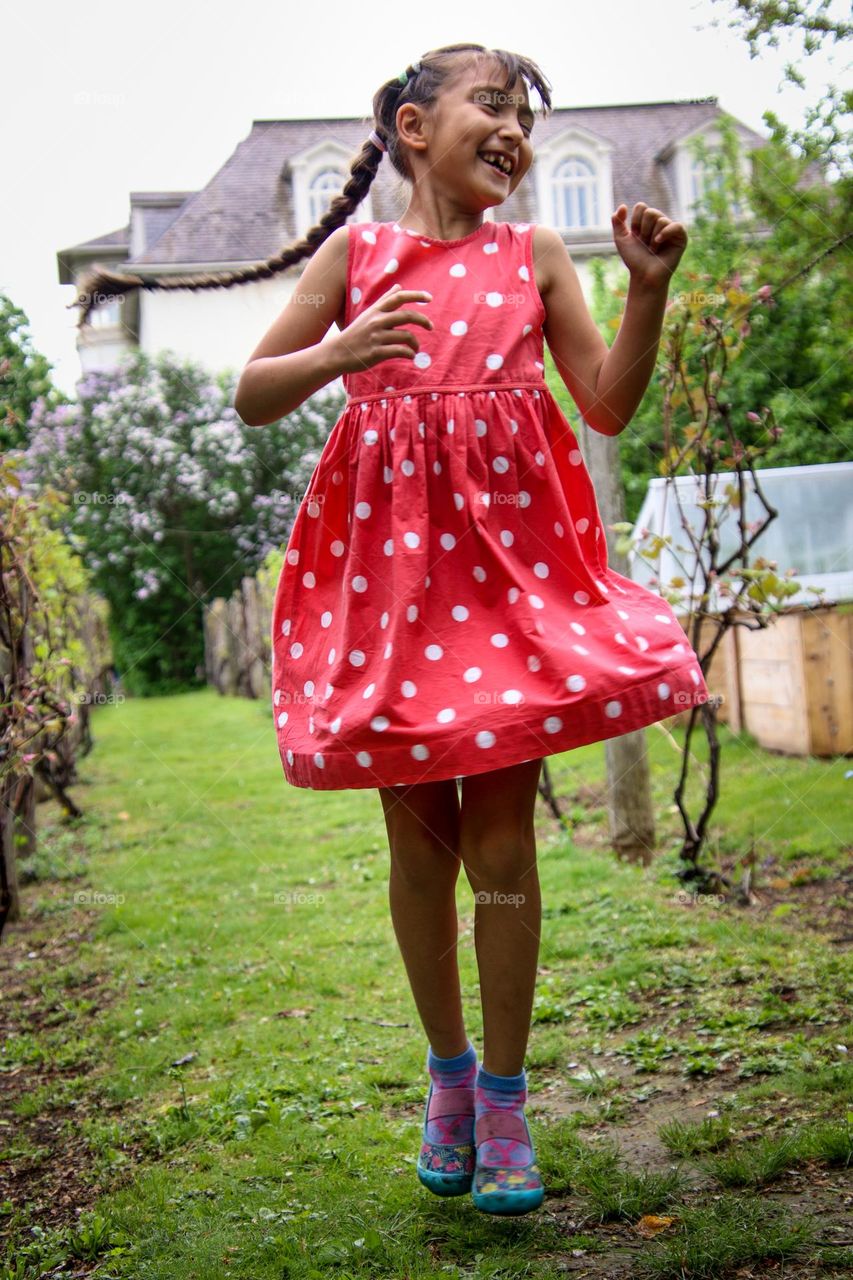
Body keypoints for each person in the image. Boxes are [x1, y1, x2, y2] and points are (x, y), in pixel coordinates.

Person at [72, 42, 710, 1218]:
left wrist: (651, 292)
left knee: (503, 851)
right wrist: (338, 352)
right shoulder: (355, 254)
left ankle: (509, 1101)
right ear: (416, 128)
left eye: (526, 115)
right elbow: (252, 390)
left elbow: (607, 401)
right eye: (493, 105)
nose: (514, 129)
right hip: (397, 597)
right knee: (419, 846)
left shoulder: (536, 253)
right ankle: (449, 1081)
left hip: (510, 590)